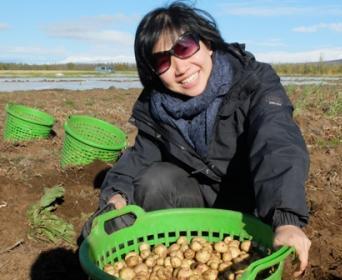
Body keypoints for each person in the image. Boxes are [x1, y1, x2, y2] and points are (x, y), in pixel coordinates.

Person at [83, 1, 311, 277]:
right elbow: (139, 158)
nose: (180, 67)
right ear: (153, 72)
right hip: (194, 208)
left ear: (208, 42)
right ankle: (171, 242)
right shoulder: (158, 107)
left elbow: (276, 141)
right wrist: (116, 197)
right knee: (154, 180)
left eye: (184, 47)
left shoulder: (253, 81)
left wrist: (285, 218)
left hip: (249, 209)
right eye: (162, 61)